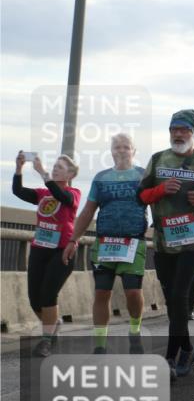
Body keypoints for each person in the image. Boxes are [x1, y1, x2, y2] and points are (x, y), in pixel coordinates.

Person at [137, 109, 194, 379]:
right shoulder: (158, 159)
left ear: (193, 133)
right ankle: (187, 348)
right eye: (174, 130)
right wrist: (160, 190)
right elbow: (140, 196)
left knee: (179, 297)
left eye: (183, 130)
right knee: (172, 301)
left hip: (193, 242)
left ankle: (170, 358)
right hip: (164, 242)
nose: (178, 134)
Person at [63, 134, 147, 355]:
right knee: (102, 293)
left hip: (133, 242)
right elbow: (88, 211)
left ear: (134, 151)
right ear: (111, 151)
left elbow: (156, 205)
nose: (121, 150)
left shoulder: (143, 176)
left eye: (126, 147)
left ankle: (135, 330)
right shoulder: (101, 178)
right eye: (117, 147)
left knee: (132, 292)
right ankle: (100, 344)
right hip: (104, 243)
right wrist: (73, 239)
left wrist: (160, 232)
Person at [14, 152, 81, 357]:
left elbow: (61, 196)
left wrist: (42, 172)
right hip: (39, 248)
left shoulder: (73, 193)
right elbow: (18, 191)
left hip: (62, 250)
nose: (55, 169)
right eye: (54, 166)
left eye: (60, 167)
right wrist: (19, 168)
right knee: (35, 299)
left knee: (48, 295)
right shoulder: (43, 194)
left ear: (70, 174)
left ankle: (46, 340)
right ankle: (53, 325)